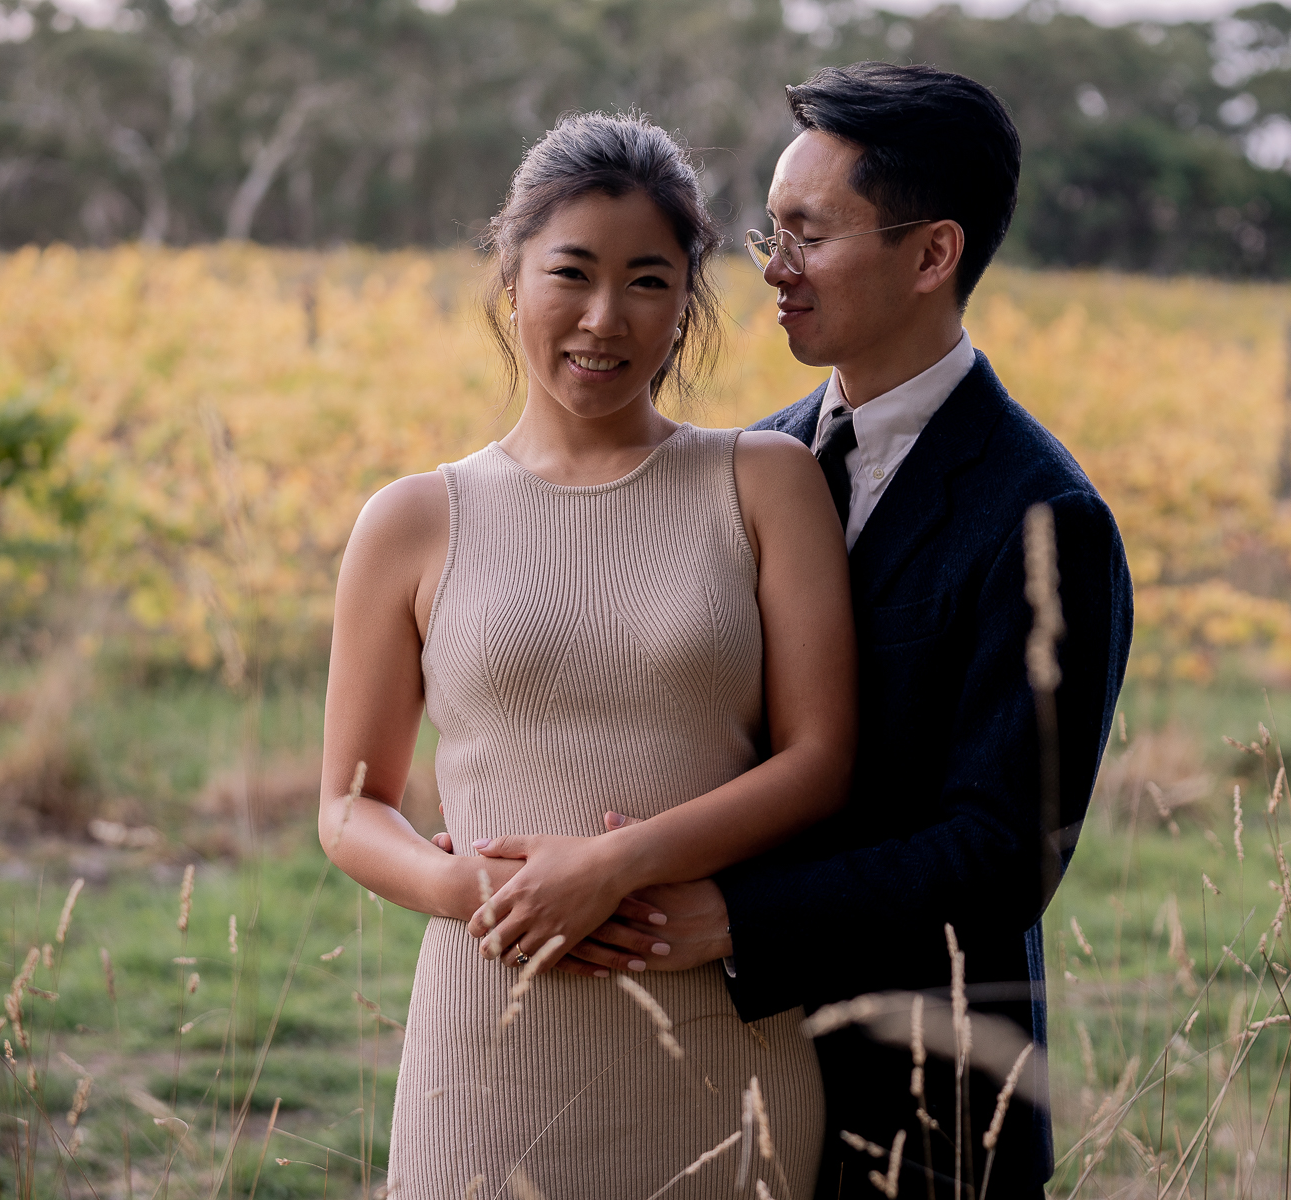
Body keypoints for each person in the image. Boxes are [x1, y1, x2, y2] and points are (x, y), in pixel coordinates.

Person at [576, 64, 1135, 1197]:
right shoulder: (753, 459)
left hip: (917, 1103)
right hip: (700, 1070)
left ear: (933, 255)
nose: (768, 269)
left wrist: (737, 918)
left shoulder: (1043, 516)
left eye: (807, 234)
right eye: (767, 230)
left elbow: (998, 854)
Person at [317, 113, 856, 1196]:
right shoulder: (412, 520)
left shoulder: (766, 482)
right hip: (489, 1039)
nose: (605, 319)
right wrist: (460, 886)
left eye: (648, 281)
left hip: (717, 1033)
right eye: (572, 273)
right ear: (510, 277)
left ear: (687, 304)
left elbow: (819, 761)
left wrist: (614, 865)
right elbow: (349, 805)